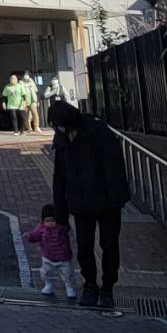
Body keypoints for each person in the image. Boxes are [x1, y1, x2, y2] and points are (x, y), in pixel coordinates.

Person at [47, 100, 131, 309]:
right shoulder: (63, 139)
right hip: (80, 201)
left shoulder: (97, 131)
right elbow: (60, 177)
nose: (58, 130)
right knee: (84, 247)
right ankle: (90, 285)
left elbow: (114, 168)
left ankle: (107, 288)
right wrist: (61, 215)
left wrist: (116, 199)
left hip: (106, 201)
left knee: (109, 245)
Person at [24, 204, 78, 300]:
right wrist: (30, 236)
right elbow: (36, 235)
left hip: (63, 258)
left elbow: (66, 227)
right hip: (48, 257)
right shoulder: (42, 228)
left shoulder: (61, 229)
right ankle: (48, 285)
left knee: (67, 274)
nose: (50, 223)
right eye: (47, 221)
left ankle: (69, 287)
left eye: (53, 221)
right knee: (45, 273)